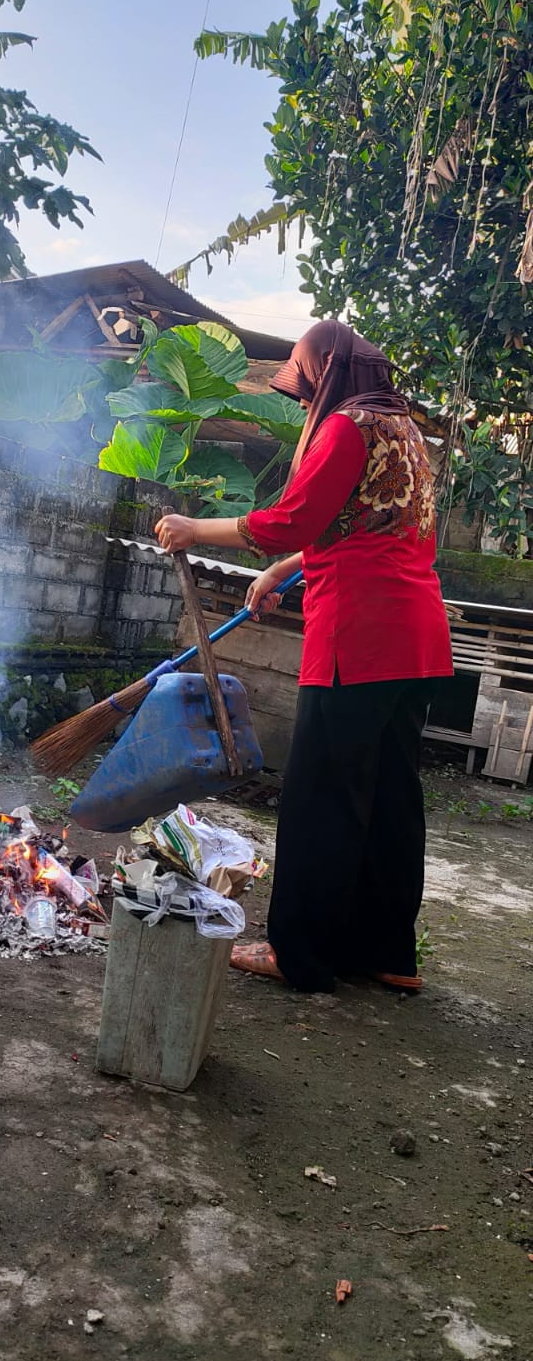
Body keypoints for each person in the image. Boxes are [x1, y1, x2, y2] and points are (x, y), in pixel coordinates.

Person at [155, 320, 453, 995]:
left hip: (360, 634)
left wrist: (192, 528)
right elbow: (358, 524)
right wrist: (284, 572)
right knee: (389, 800)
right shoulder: (403, 431)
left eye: (302, 385)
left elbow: (292, 518)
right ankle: (387, 954)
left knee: (324, 799)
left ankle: (300, 953)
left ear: (326, 371)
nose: (298, 400)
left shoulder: (347, 427)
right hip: (417, 637)